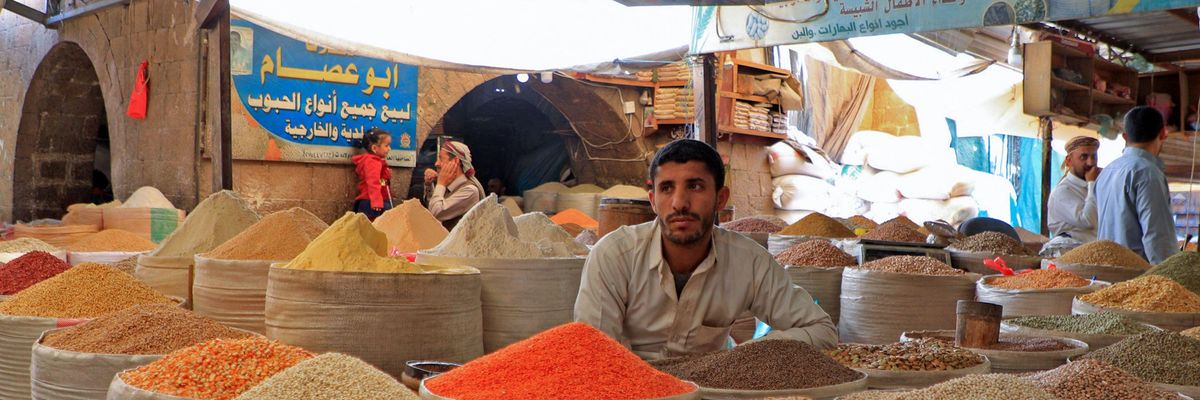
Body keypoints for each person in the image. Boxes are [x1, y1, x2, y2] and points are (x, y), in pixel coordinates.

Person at [574, 139, 837, 360]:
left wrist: (749, 356)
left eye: (695, 186)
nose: (679, 203)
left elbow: (821, 329)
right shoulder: (614, 256)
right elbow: (595, 354)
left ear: (720, 199)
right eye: (667, 188)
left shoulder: (748, 262)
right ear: (653, 200)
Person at [1097, 106, 1178, 264]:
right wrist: (1170, 277)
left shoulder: (1107, 172)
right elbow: (1157, 236)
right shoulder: (1148, 173)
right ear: (1163, 133)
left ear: (1125, 137)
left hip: (1106, 271)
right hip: (1136, 276)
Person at [1047, 136, 1101, 242]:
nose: (1090, 163)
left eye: (1093, 157)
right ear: (1069, 161)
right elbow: (1088, 221)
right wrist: (1091, 183)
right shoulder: (1062, 191)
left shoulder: (1095, 186)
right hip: (1070, 252)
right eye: (1083, 157)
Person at [423, 140, 484, 229]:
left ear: (455, 161)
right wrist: (429, 185)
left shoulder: (470, 190)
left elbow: (436, 212)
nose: (436, 163)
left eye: (441, 158)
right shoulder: (450, 186)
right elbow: (433, 205)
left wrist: (441, 184)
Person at [351, 128, 393, 221]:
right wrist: (376, 202)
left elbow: (381, 181)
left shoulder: (378, 162)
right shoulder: (372, 162)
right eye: (386, 146)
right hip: (372, 203)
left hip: (376, 201)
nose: (389, 149)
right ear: (374, 148)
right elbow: (373, 182)